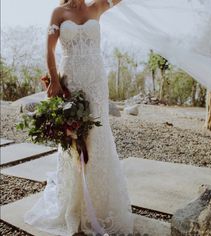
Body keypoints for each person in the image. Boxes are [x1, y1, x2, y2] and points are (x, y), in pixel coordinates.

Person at [24, 0, 134, 235]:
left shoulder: (97, 7)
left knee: (98, 136)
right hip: (71, 80)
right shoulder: (59, 12)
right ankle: (75, 203)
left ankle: (100, 205)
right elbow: (49, 50)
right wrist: (54, 80)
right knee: (74, 140)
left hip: (96, 81)